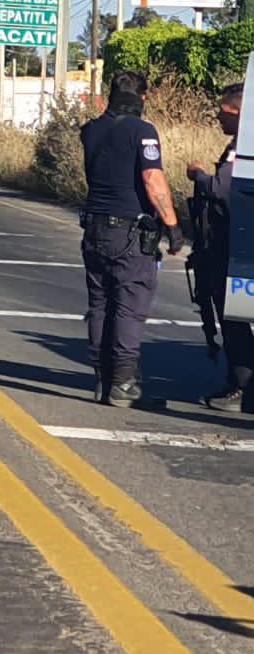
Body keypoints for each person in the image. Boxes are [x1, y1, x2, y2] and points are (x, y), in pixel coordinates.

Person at [79, 70, 184, 406]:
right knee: (129, 306)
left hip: (94, 228)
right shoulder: (143, 131)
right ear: (143, 97)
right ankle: (123, 383)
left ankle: (103, 378)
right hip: (128, 233)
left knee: (100, 305)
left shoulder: (91, 130)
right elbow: (152, 178)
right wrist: (172, 225)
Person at [186, 83, 253, 412]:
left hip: (236, 249)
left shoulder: (244, 149)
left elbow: (221, 190)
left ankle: (242, 388)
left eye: (223, 112)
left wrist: (198, 175)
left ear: (239, 112)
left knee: (235, 319)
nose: (217, 117)